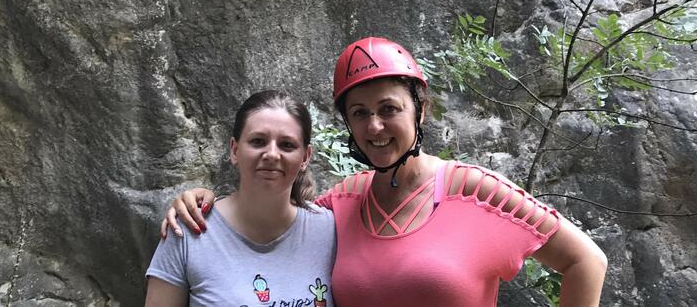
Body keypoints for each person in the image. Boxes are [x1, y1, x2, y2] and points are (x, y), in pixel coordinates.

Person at [162, 37, 607, 306]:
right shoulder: (341, 205)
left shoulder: (475, 191)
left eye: (388, 108)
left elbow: (586, 260)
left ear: (420, 109)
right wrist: (201, 199)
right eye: (359, 113)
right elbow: (273, 215)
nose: (374, 126)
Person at [145, 90, 336, 307]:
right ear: (234, 150)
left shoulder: (329, 230)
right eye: (258, 141)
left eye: (287, 145)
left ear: (305, 157)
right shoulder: (187, 231)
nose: (272, 154)